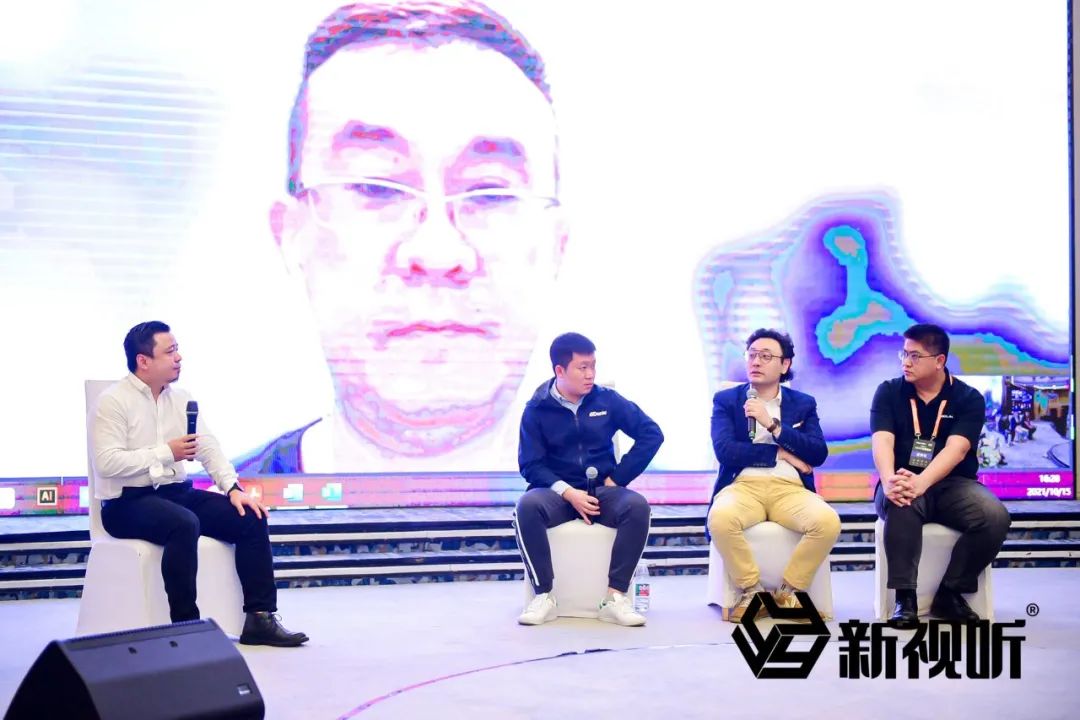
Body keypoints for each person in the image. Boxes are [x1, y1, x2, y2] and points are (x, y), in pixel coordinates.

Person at [241, 0, 566, 473]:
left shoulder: (651, 508)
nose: (437, 252)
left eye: (491, 191)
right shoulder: (202, 516)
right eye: (375, 186)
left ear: (556, 247)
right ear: (292, 235)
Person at [92, 321, 308, 646]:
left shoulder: (181, 399)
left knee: (250, 516)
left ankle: (259, 618)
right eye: (170, 352)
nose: (179, 358)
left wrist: (233, 489)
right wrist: (168, 452)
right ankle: (186, 628)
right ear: (143, 361)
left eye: (177, 350)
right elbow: (107, 463)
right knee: (183, 523)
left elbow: (207, 447)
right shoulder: (113, 402)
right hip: (126, 503)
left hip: (175, 493)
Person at [514, 333, 663, 626]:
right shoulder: (537, 408)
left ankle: (615, 598)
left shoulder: (607, 400)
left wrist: (617, 478)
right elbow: (530, 464)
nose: (590, 374)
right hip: (556, 492)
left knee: (637, 507)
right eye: (582, 368)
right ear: (560, 370)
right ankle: (543, 596)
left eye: (593, 366)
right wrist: (568, 492)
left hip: (600, 491)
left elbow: (651, 434)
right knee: (527, 507)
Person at [871, 323, 1011, 628]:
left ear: (939, 360)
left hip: (953, 484)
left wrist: (922, 482)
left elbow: (957, 450)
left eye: (915, 356)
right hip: (899, 479)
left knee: (994, 516)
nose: (906, 362)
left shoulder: (967, 398)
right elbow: (882, 441)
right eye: (904, 354)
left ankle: (950, 592)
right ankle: (905, 599)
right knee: (902, 501)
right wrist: (889, 479)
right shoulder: (889, 391)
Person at [707, 329, 839, 622]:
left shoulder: (803, 403)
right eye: (752, 355)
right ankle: (752, 591)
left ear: (785, 364)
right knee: (721, 519)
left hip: (789, 488)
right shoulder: (727, 400)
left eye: (766, 356)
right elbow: (725, 451)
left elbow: (817, 453)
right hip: (743, 485)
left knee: (827, 522)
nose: (756, 361)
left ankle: (788, 592)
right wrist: (780, 453)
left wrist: (773, 425)